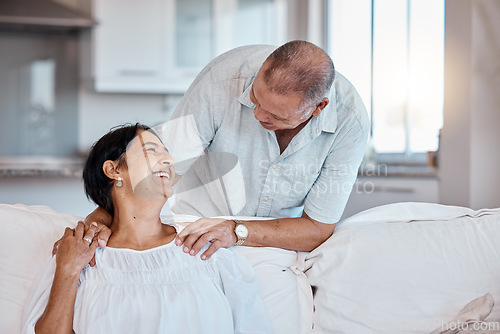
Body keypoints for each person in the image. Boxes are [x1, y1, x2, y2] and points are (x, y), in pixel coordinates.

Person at [83, 40, 370, 261]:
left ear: (318, 108)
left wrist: (236, 230)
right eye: (255, 98)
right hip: (193, 230)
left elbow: (317, 229)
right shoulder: (222, 81)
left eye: (276, 116)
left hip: (276, 242)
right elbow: (161, 168)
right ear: (262, 71)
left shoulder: (350, 122)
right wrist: (101, 218)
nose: (258, 115)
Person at [23, 124, 273, 334]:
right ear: (114, 170)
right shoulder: (77, 256)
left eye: (167, 153)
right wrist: (68, 269)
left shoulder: (205, 247)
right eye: (150, 151)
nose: (169, 160)